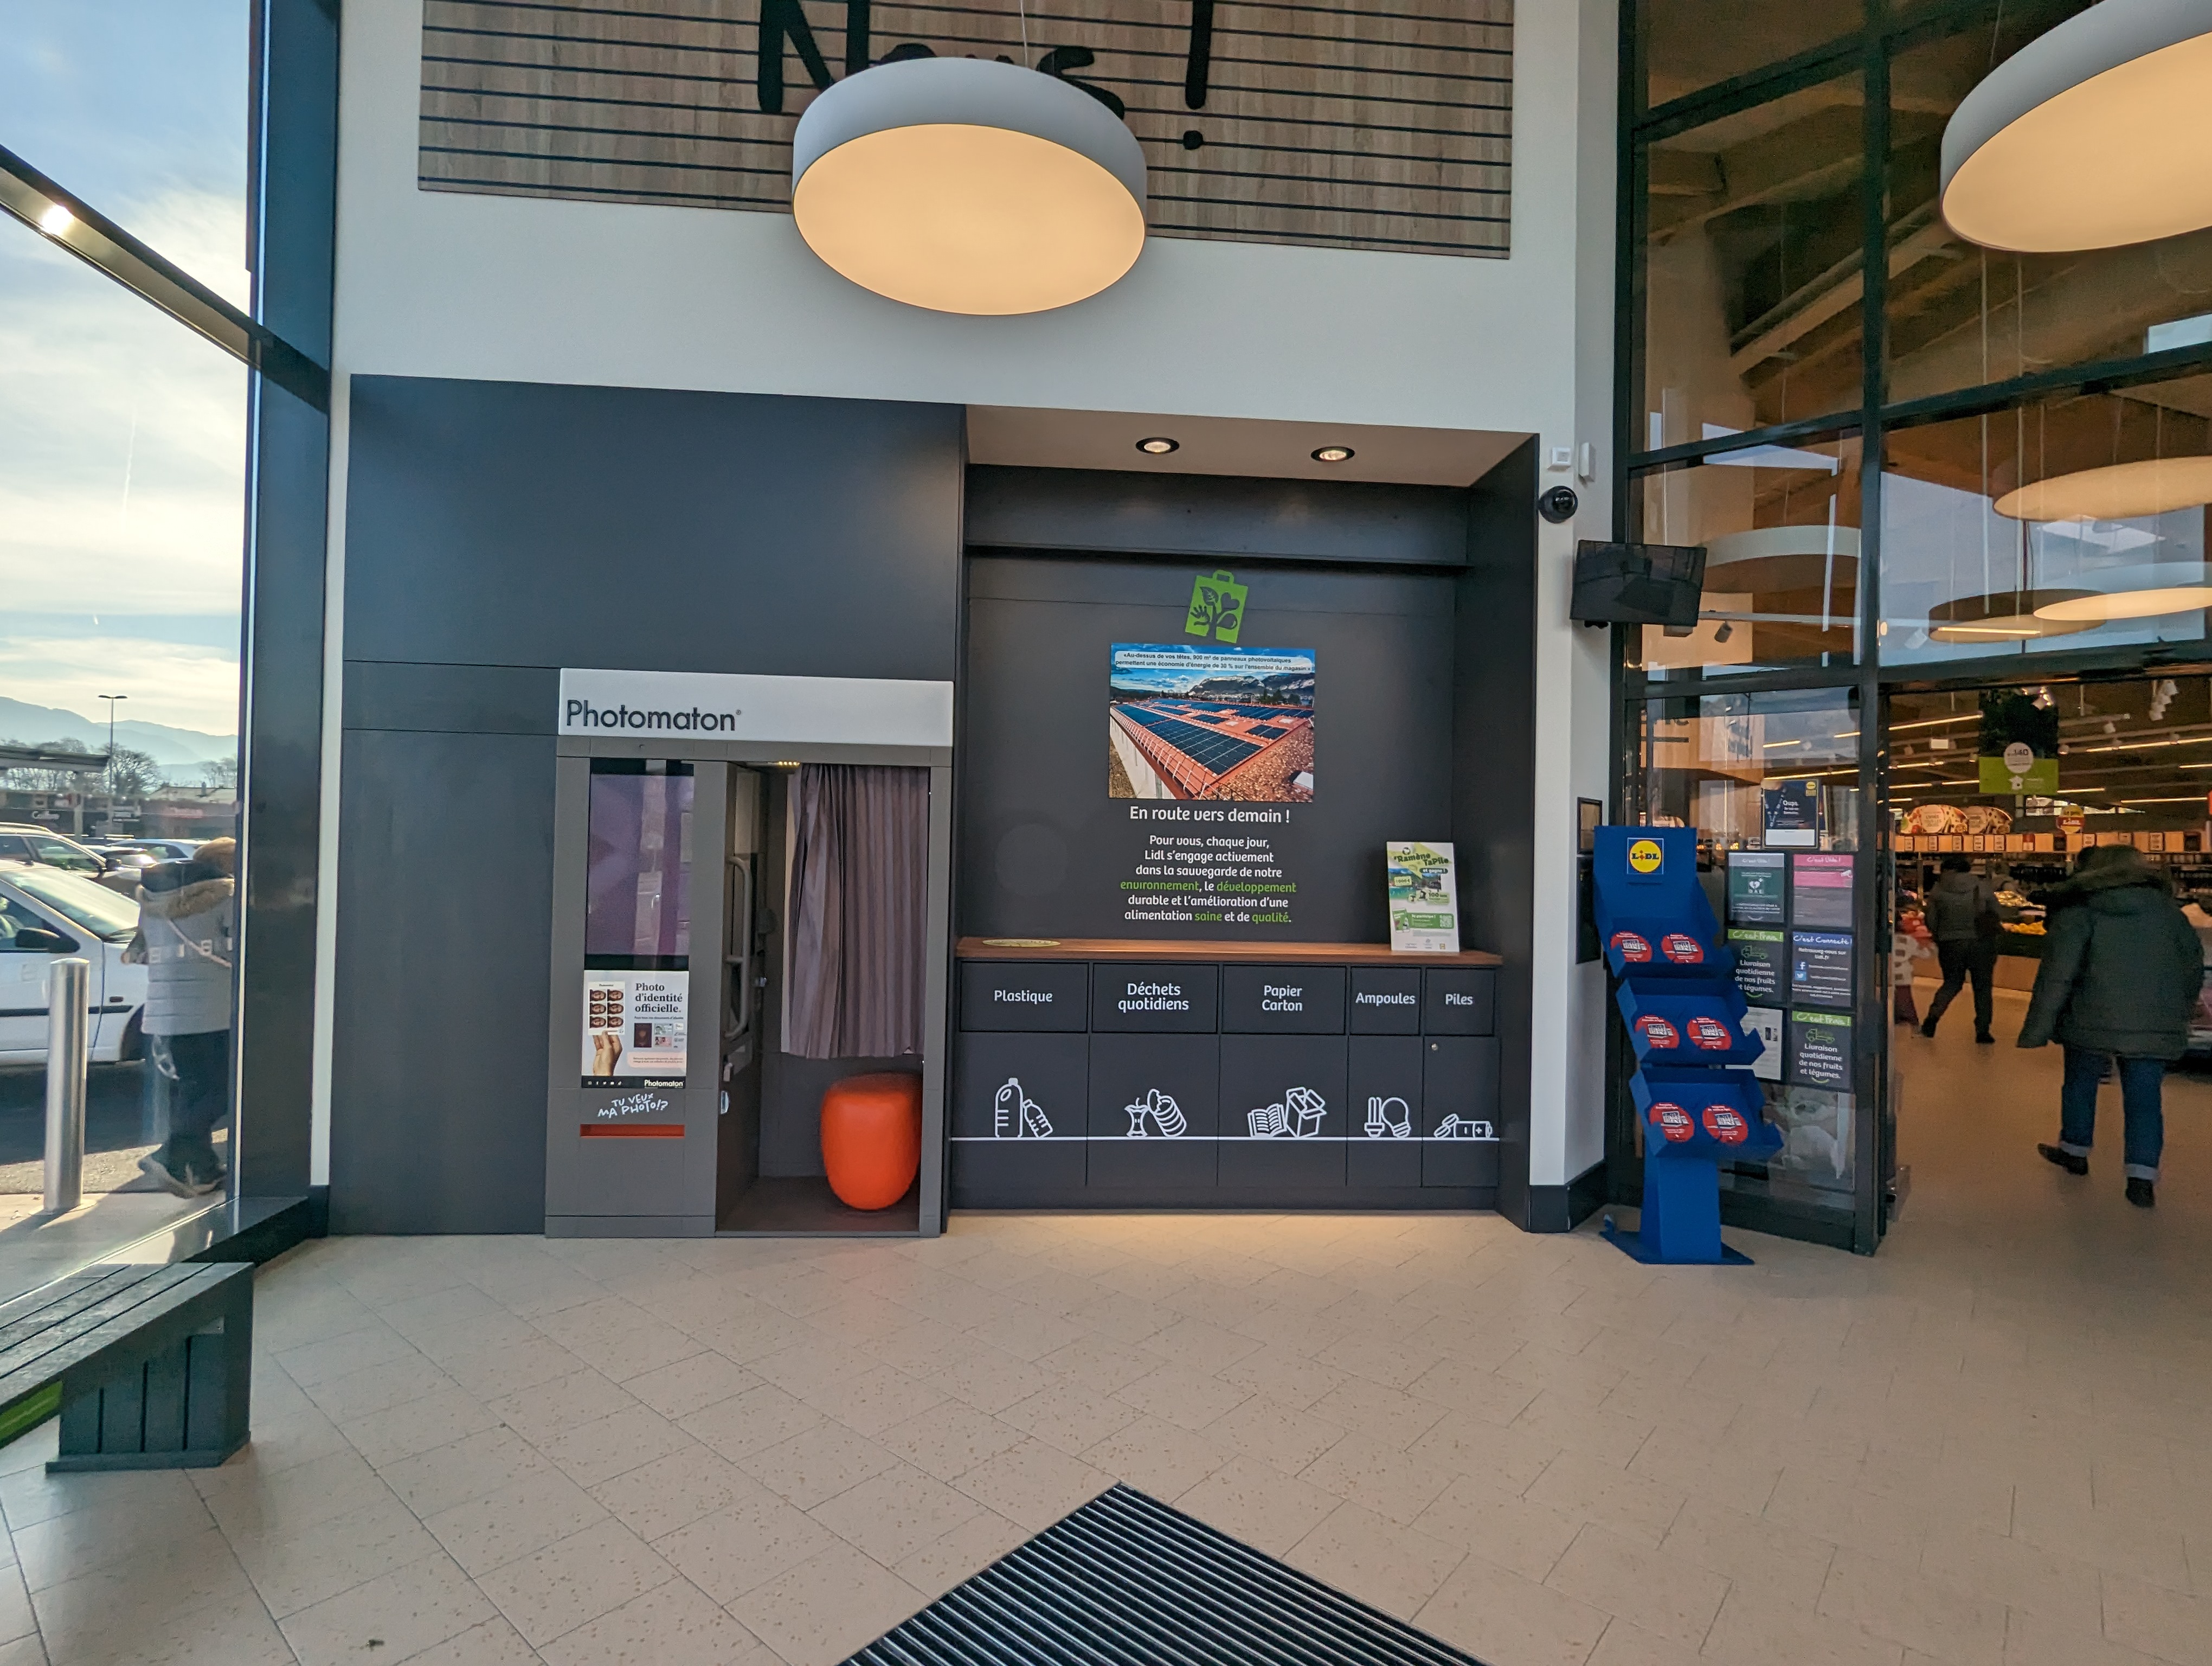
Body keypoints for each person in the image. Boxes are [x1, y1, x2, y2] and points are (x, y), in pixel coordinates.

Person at [2018, 844, 2203, 1208]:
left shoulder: (2080, 912)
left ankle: (2075, 1150)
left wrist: (2038, 1027)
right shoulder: (2169, 913)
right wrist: (2179, 1010)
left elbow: (2058, 974)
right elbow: (2192, 966)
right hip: (2153, 1021)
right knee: (2145, 1099)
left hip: (2090, 1016)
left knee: (2080, 1084)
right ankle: (2142, 1177)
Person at [125, 837, 236, 1197]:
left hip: (164, 1015)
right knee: (223, 1091)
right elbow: (244, 952)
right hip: (212, 1012)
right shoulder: (228, 899)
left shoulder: (154, 904)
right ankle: (170, 1153)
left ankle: (201, 1171)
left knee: (192, 1090)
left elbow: (141, 953)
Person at [1919, 853, 1999, 1043]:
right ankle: (1983, 1031)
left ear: (1947, 870)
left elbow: (1931, 920)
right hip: (1981, 943)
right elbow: (1997, 913)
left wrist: (1940, 935)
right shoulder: (1982, 886)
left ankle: (1932, 1019)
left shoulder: (1938, 891)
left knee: (1952, 983)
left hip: (1950, 944)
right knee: (1983, 987)